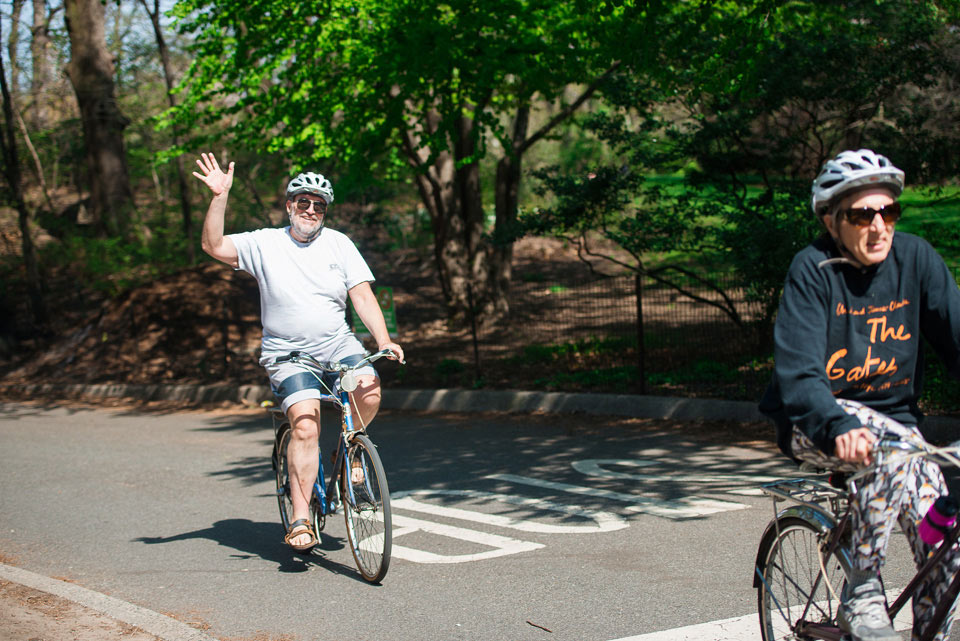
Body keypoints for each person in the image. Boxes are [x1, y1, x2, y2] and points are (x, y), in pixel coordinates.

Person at [760, 148, 960, 641]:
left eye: (888, 211)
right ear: (831, 220)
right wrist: (838, 425)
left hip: (898, 429)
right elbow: (800, 374)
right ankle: (863, 591)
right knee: (882, 446)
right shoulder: (813, 270)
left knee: (945, 547)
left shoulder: (916, 260)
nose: (878, 226)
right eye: (861, 214)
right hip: (815, 421)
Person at [193, 152, 404, 553]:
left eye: (318, 205)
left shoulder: (340, 244)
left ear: (325, 211)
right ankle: (301, 518)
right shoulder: (264, 243)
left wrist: (383, 340)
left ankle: (352, 451)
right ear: (290, 206)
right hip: (286, 353)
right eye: (303, 202)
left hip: (337, 344)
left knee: (370, 388)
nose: (310, 210)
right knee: (306, 424)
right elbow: (213, 245)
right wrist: (220, 196)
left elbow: (361, 294)